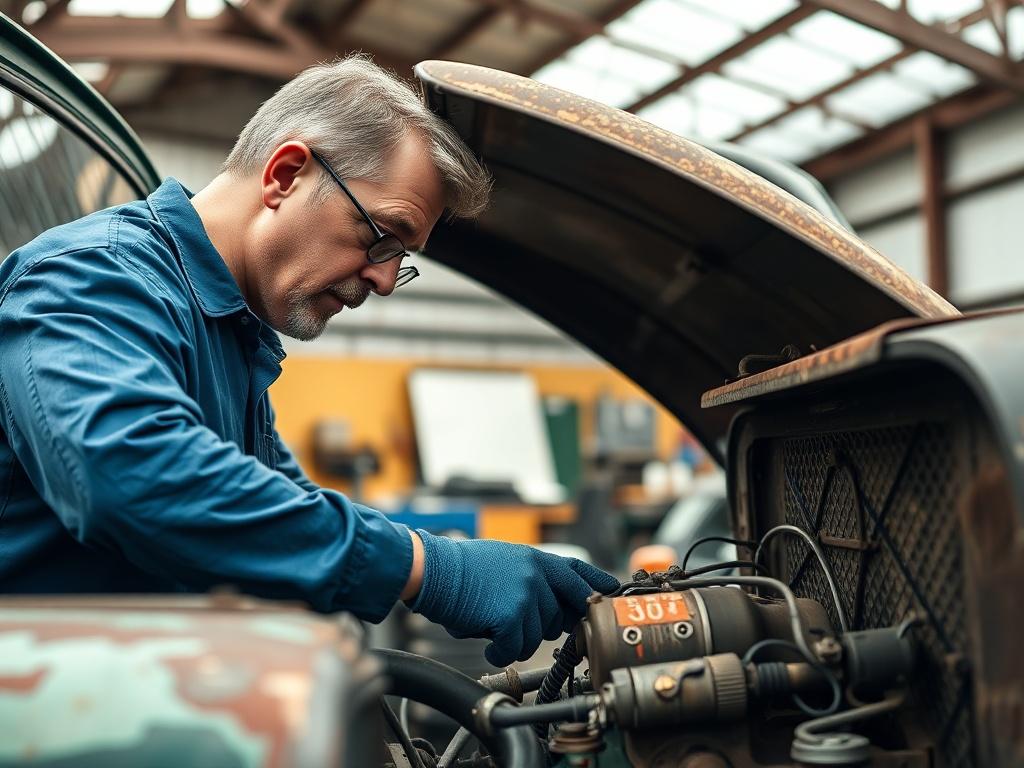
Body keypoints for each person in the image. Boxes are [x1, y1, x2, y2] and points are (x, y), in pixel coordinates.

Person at [0, 56, 617, 666]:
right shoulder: (91, 277)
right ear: (286, 175)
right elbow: (130, 476)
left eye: (401, 257)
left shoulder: (228, 332)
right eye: (381, 236)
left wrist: (446, 555)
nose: (382, 279)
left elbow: (277, 500)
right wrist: (432, 570)